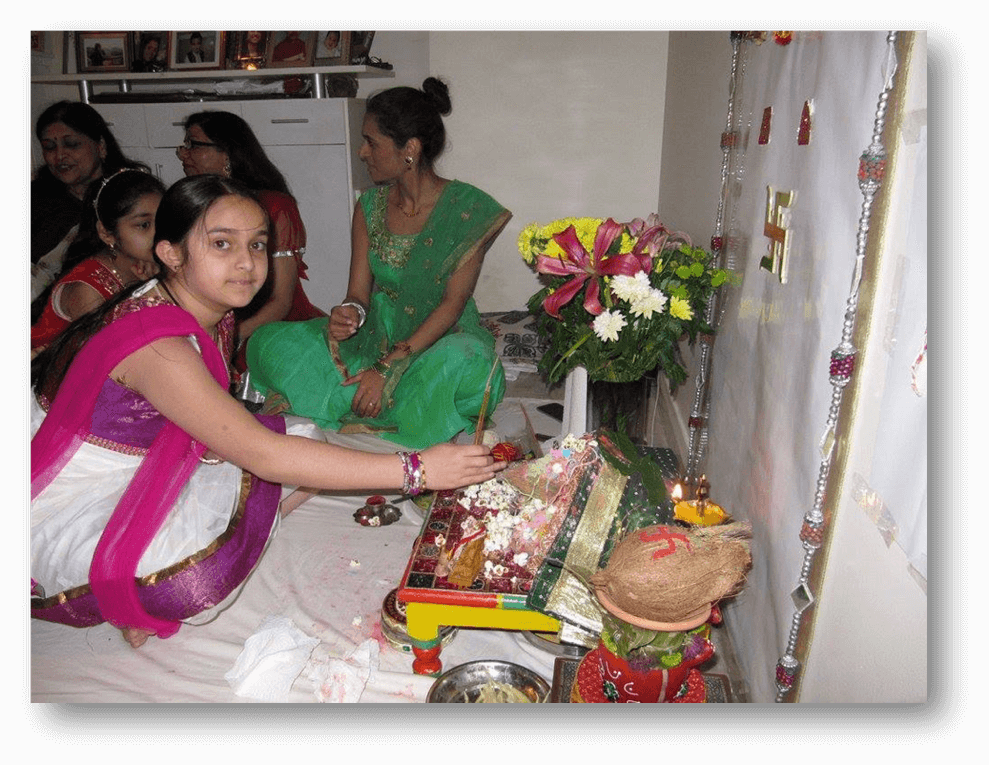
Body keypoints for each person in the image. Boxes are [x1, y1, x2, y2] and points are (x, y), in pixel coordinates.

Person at [30, 174, 504, 648]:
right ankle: (116, 585)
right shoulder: (161, 347)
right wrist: (418, 469)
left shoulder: (198, 303)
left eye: (257, 245)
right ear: (171, 253)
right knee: (197, 581)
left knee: (304, 439)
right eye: (221, 244)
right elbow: (266, 456)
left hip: (148, 451)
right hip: (78, 491)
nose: (247, 263)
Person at [246, 78, 512, 450]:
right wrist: (349, 313)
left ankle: (391, 395)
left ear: (410, 150)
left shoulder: (467, 210)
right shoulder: (369, 207)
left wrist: (386, 369)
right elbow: (358, 292)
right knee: (269, 341)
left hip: (437, 339)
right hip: (374, 338)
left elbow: (452, 305)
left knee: (471, 364)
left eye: (371, 142)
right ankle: (394, 400)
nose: (362, 152)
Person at [176, 110, 326, 373]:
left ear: (227, 153)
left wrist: (228, 336)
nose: (182, 153)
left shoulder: (275, 206)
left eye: (193, 144)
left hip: (267, 328)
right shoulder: (196, 205)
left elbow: (281, 301)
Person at [32, 169, 165, 354]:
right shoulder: (88, 290)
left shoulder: (152, 266)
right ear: (106, 233)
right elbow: (115, 360)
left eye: (164, 221)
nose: (159, 234)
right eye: (144, 225)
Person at [31, 101, 148, 304]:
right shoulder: (36, 200)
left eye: (72, 144)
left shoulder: (132, 193)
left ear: (100, 146)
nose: (59, 156)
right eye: (49, 147)